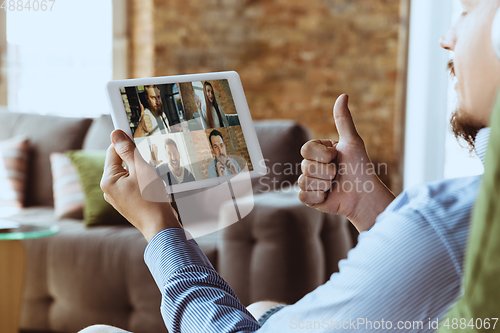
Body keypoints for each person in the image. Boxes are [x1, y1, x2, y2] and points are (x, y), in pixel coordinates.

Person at [86, 0, 500, 332]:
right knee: (263, 305)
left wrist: (160, 229)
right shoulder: (467, 219)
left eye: (464, 12)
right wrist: (369, 208)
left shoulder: (446, 221)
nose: (447, 38)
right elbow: (439, 283)